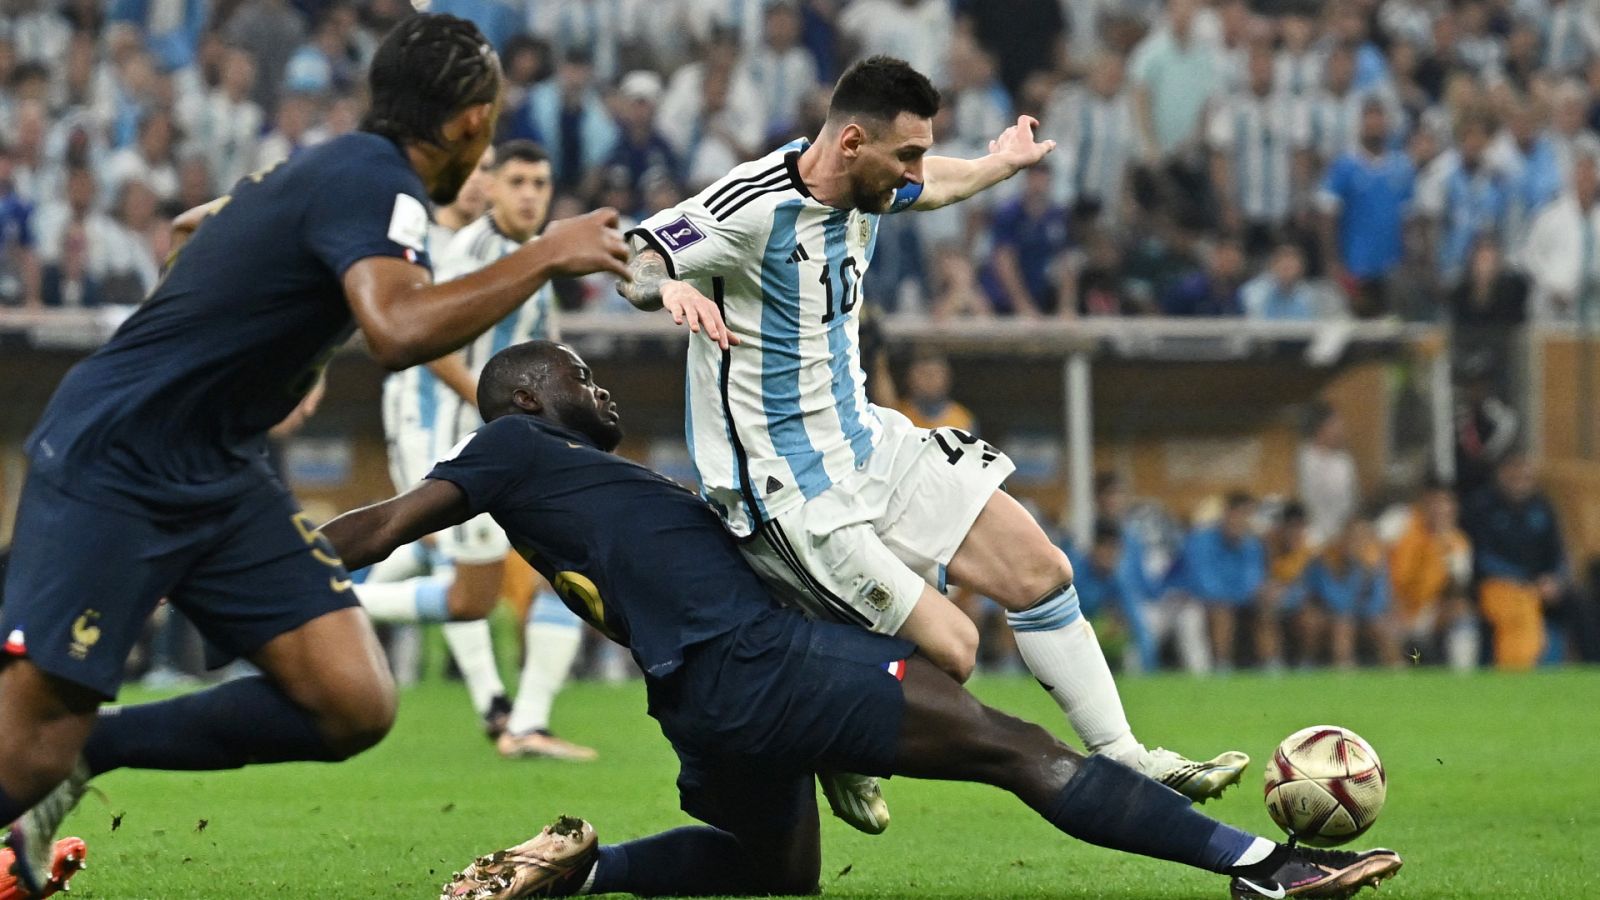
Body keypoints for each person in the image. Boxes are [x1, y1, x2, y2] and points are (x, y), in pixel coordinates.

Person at [319, 341, 1403, 900]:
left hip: (703, 701)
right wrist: (263, 565)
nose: (598, 389)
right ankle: (1266, 868)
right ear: (523, 400)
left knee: (772, 873)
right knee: (1022, 750)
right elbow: (386, 523)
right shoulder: (512, 454)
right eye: (576, 375)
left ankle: (582, 875)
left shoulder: (586, 497)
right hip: (762, 666)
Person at [0, 15, 629, 897]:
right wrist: (548, 255)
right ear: (471, 123)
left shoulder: (331, 170)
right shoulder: (379, 184)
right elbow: (398, 328)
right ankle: (52, 764)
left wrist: (265, 354)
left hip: (217, 465)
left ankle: (88, 754)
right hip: (121, 459)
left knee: (352, 701)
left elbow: (191, 229)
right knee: (20, 754)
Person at [617, 55, 1247, 833]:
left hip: (868, 442)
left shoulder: (869, 184)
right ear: (851, 142)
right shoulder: (750, 207)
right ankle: (832, 735)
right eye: (907, 153)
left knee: (1039, 570)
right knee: (952, 650)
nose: (916, 171)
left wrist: (997, 164)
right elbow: (636, 255)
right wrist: (670, 283)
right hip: (790, 489)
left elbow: (936, 183)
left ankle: (1123, 756)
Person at [360, 139, 595, 762]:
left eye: (540, 183)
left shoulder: (529, 254)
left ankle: (524, 721)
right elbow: (426, 340)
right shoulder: (471, 254)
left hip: (516, 446)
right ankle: (333, 598)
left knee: (575, 567)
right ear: (491, 188)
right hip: (471, 446)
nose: (528, 194)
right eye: (516, 181)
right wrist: (492, 405)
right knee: (471, 597)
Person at [1170, 492, 1268, 673]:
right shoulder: (1200, 539)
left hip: (1234, 599)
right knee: (1220, 609)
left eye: (1248, 515)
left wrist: (1248, 595)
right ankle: (1221, 665)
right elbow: (1202, 582)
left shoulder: (1251, 544)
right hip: (1187, 598)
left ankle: (1272, 666)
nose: (1242, 520)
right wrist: (1232, 596)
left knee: (1266, 605)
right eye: (1239, 514)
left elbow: (1253, 580)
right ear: (1227, 513)